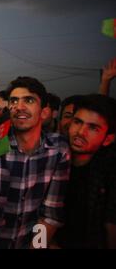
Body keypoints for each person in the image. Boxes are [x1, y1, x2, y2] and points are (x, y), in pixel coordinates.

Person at [0, 77, 71, 249]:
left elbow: (50, 216)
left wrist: (35, 247)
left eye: (29, 100)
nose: (19, 107)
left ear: (44, 112)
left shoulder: (58, 149)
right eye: (14, 101)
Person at [55, 94, 116, 249]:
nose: (81, 132)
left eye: (93, 128)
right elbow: (38, 218)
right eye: (77, 122)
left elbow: (111, 228)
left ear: (108, 139)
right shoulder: (51, 161)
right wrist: (40, 244)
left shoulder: (108, 175)